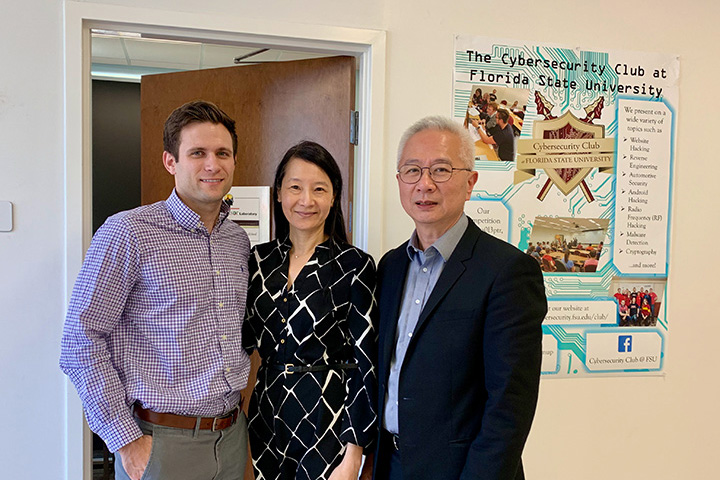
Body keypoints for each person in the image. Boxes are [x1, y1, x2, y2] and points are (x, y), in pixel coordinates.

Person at [60, 101, 251, 480]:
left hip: (231, 438)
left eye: (222, 153)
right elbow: (79, 340)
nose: (213, 165)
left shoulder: (237, 240)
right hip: (162, 442)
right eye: (197, 153)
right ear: (170, 162)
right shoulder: (128, 232)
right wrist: (125, 440)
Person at [374, 116, 547, 480]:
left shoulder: (508, 272)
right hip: (390, 465)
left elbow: (509, 407)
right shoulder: (390, 267)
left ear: (470, 182)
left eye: (440, 170)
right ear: (399, 182)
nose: (424, 184)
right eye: (412, 171)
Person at [243, 141, 377, 480]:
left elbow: (365, 364)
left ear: (334, 198)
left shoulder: (354, 265)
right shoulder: (258, 261)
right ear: (278, 194)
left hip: (328, 419)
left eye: (319, 189)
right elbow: (239, 342)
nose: (306, 201)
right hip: (267, 417)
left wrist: (353, 456)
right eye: (295, 188)